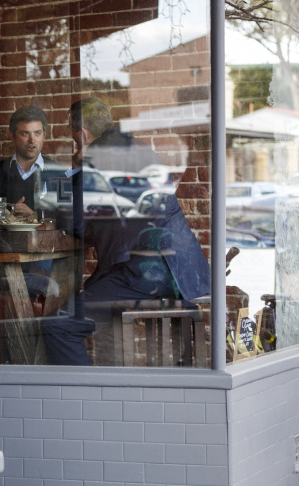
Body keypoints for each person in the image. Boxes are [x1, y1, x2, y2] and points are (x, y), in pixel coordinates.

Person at [69, 97, 210, 363]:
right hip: (186, 271)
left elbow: (76, 225)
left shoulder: (94, 156)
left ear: (83, 133)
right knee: (94, 295)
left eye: (73, 133)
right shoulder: (137, 147)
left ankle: (89, 384)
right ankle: (111, 374)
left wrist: (77, 168)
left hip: (148, 273)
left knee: (61, 323)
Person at [0, 105, 93, 365]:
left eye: (37, 133)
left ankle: (36, 358)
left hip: (45, 259)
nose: (32, 140)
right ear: (13, 136)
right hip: (3, 258)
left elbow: (68, 222)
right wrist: (9, 214)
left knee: (50, 282)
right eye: (25, 133)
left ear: (45, 135)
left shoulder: (59, 173)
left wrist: (34, 216)